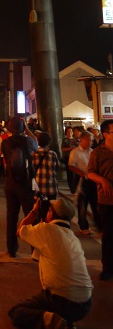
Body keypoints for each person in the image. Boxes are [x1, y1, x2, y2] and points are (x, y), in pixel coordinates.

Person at [8, 197, 93, 329]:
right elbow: (38, 257)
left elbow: (20, 231)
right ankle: (65, 322)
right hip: (85, 304)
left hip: (62, 300)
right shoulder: (73, 238)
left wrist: (34, 212)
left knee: (17, 312)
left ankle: (56, 322)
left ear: (50, 213)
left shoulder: (47, 230)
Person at [1, 116, 38, 258]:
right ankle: (34, 250)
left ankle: (11, 249)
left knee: (11, 216)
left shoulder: (5, 143)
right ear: (23, 128)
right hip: (25, 182)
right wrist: (27, 129)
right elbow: (36, 143)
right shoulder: (28, 141)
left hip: (10, 182)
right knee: (31, 215)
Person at [87, 119, 113, 280]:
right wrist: (103, 180)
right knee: (109, 235)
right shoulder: (97, 153)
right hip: (107, 199)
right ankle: (108, 268)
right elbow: (90, 172)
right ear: (105, 134)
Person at [69, 130, 101, 235]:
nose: (90, 143)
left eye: (91, 141)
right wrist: (82, 173)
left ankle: (99, 226)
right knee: (82, 205)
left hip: (93, 180)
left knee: (96, 204)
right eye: (88, 140)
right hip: (82, 180)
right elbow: (71, 165)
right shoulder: (75, 152)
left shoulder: (92, 152)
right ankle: (84, 227)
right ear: (81, 140)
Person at [33, 131, 59, 200]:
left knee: (38, 207)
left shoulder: (34, 154)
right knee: (51, 208)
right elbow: (56, 168)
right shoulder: (52, 154)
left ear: (38, 141)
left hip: (38, 186)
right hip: (51, 186)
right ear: (49, 142)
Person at [61, 126, 78, 194]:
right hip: (68, 157)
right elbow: (62, 149)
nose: (70, 133)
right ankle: (72, 188)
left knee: (75, 173)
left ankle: (76, 186)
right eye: (68, 132)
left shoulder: (75, 139)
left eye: (71, 131)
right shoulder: (65, 140)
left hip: (75, 157)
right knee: (70, 173)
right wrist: (70, 148)